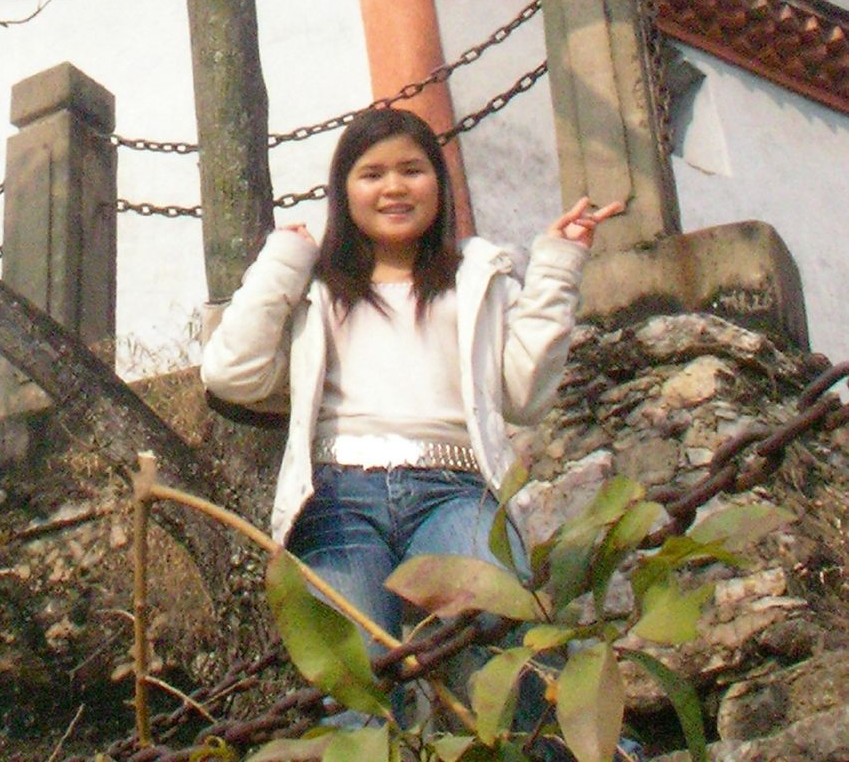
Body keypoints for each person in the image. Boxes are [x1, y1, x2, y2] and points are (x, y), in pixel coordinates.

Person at [200, 105, 621, 660]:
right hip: (334, 496)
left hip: (457, 491)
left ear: (439, 185)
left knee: (511, 649)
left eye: (412, 170)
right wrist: (284, 259)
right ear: (343, 193)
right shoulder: (315, 289)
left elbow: (524, 396)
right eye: (372, 174)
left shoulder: (478, 277)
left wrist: (558, 266)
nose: (394, 188)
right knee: (359, 687)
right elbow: (231, 375)